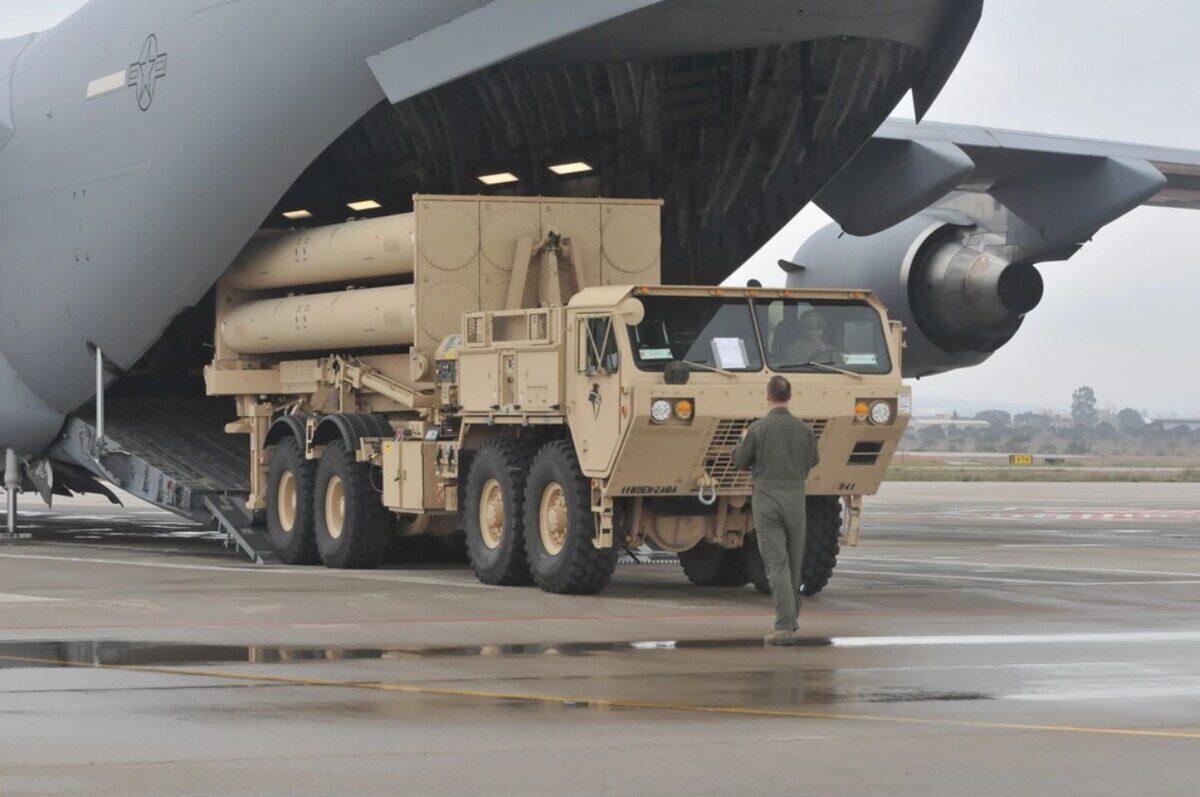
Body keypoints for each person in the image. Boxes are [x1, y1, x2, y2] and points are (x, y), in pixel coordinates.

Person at [732, 375, 820, 646]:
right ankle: (790, 621)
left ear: (768, 396)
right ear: (789, 397)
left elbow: (739, 461)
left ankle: (783, 626)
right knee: (794, 562)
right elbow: (812, 461)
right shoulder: (804, 430)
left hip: (767, 500)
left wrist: (741, 441)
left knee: (776, 563)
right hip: (796, 500)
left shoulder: (758, 429)